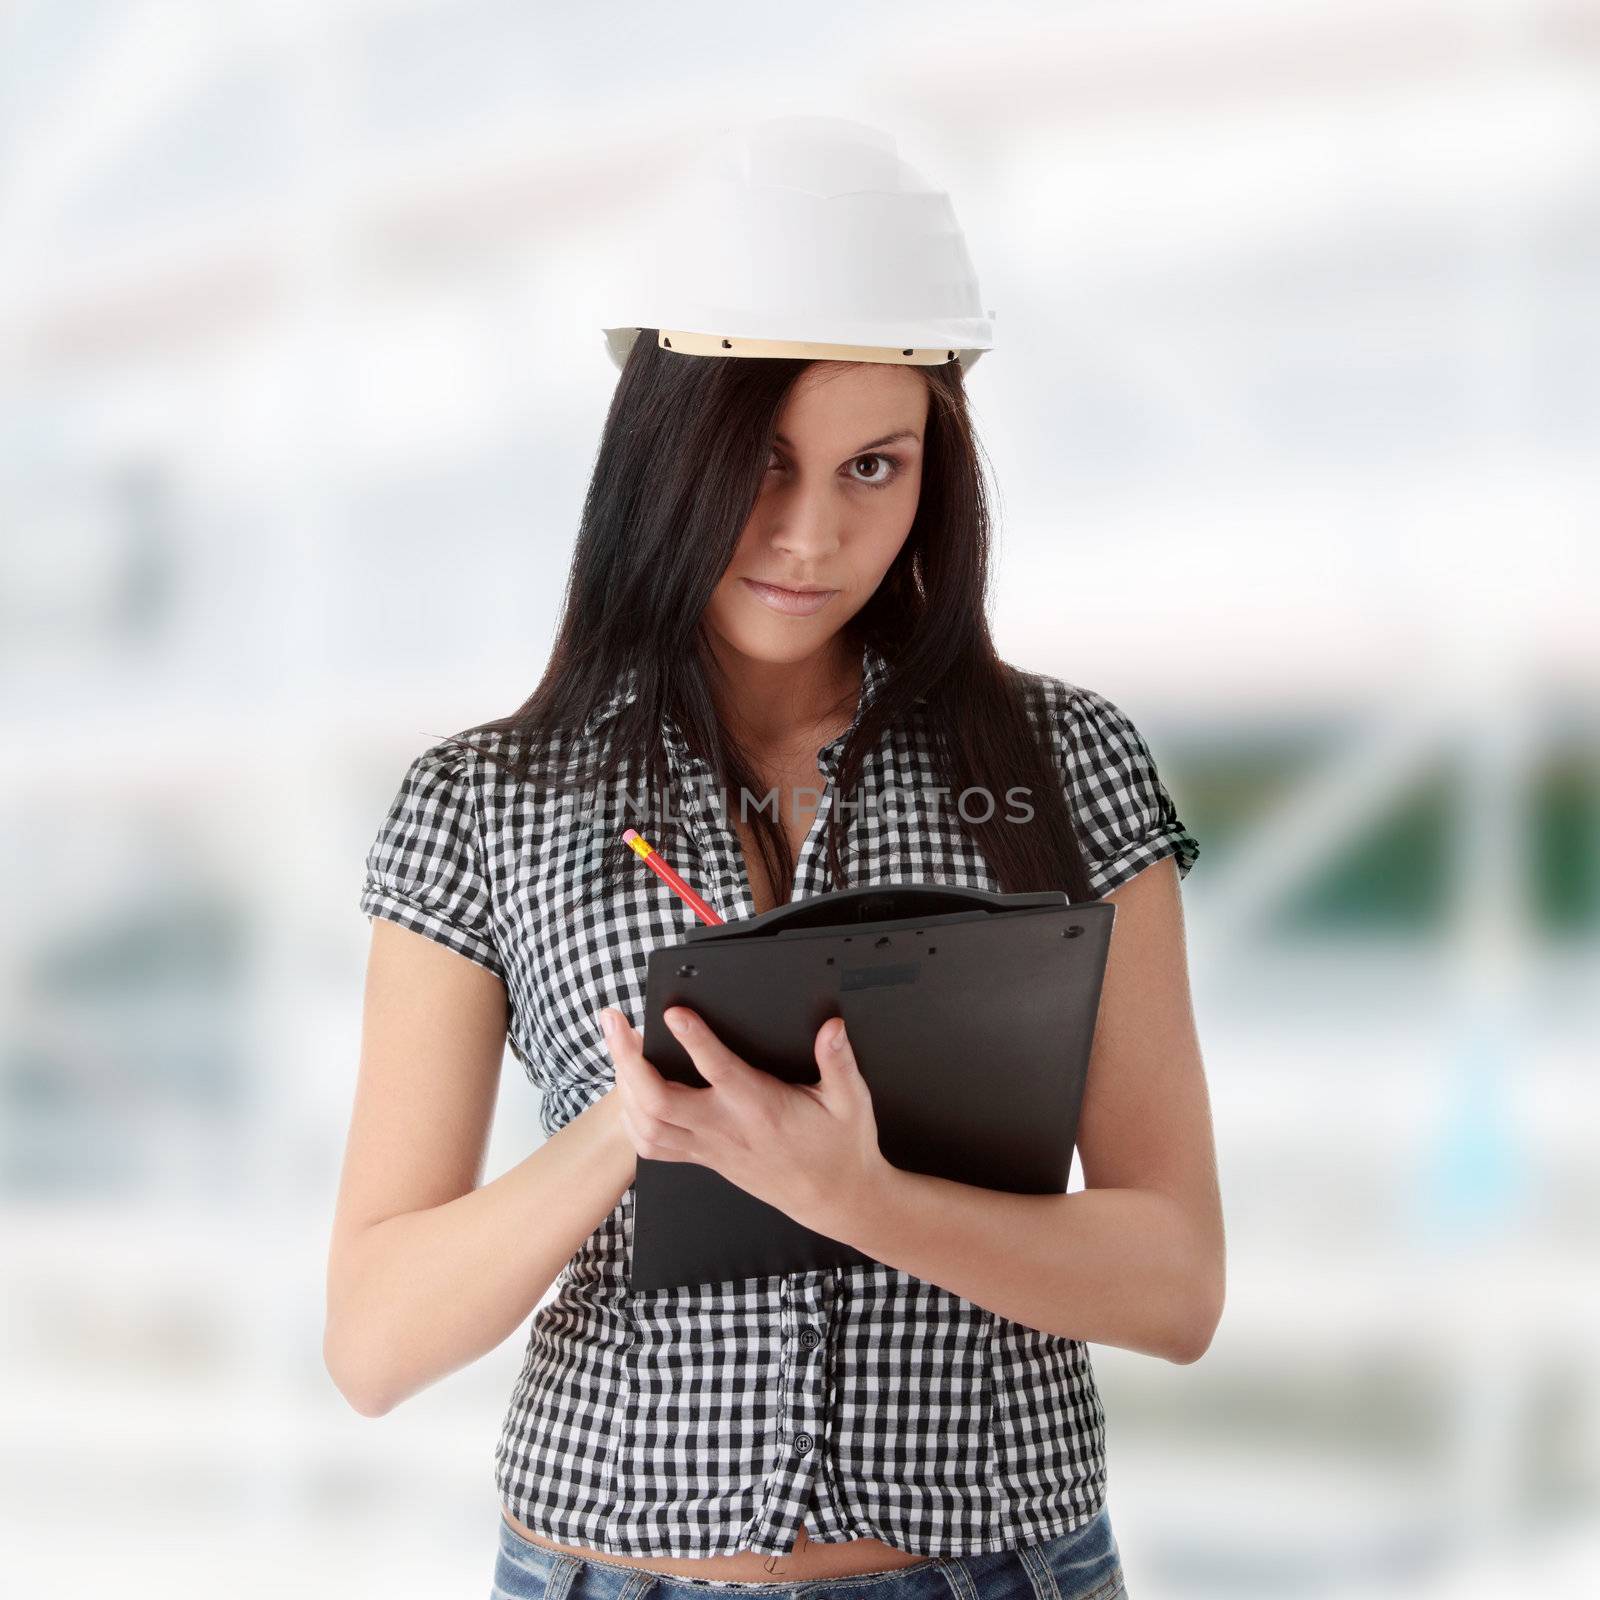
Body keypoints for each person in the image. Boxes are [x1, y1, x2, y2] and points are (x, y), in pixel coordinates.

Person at [324, 117, 1222, 1600]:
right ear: (663, 455)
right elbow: (373, 1341)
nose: (813, 534)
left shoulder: (1066, 769)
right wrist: (641, 1124)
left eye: (876, 466)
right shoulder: (482, 801)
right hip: (609, 1572)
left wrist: (859, 1198)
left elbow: (1177, 1281)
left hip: (986, 1569)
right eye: (762, 462)